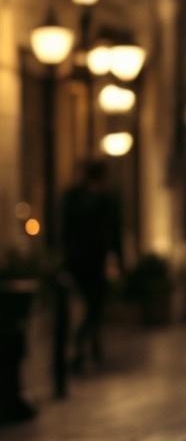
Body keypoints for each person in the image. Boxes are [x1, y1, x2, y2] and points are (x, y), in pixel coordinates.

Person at [61, 159, 123, 370]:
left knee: (88, 305)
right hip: (91, 261)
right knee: (93, 306)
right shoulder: (105, 200)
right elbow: (114, 234)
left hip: (78, 261)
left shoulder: (73, 198)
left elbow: (64, 231)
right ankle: (84, 346)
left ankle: (89, 346)